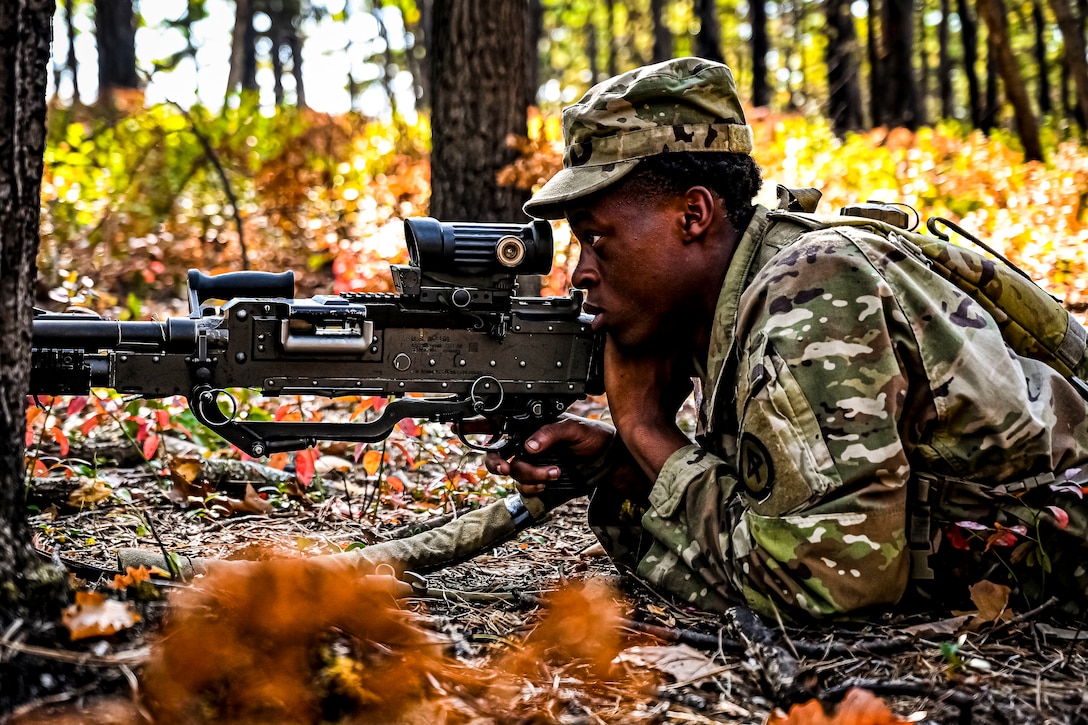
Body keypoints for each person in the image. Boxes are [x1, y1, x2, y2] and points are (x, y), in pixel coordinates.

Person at [484, 56, 1088, 619]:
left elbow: (822, 584)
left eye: (596, 238)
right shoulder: (735, 297)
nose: (580, 273)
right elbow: (758, 527)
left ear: (693, 215)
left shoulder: (811, 291)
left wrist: (646, 429)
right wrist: (624, 467)